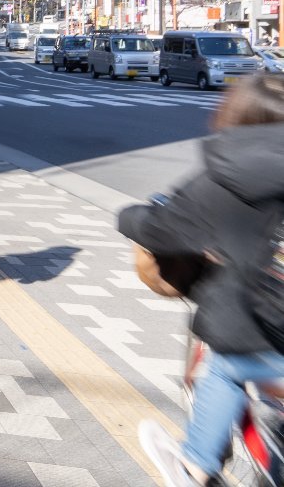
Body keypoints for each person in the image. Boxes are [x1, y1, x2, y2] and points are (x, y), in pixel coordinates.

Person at [121, 75, 284, 487]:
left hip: (267, 328)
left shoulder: (226, 173)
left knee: (228, 365)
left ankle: (194, 468)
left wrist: (130, 218)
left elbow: (160, 229)